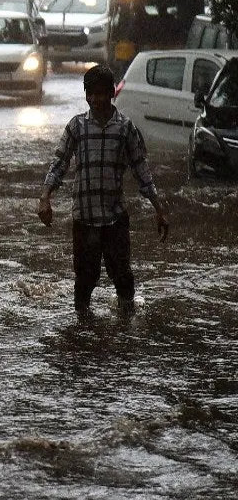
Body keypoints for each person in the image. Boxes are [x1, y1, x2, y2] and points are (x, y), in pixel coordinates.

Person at [38, 64, 170, 316]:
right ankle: (84, 331)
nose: (95, 100)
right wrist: (45, 197)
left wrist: (159, 208)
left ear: (111, 93)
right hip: (85, 218)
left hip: (114, 218)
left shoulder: (125, 128)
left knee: (123, 277)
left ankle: (124, 329)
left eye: (100, 94)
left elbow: (141, 170)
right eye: (90, 94)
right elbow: (59, 163)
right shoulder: (76, 127)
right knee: (84, 281)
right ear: (86, 94)